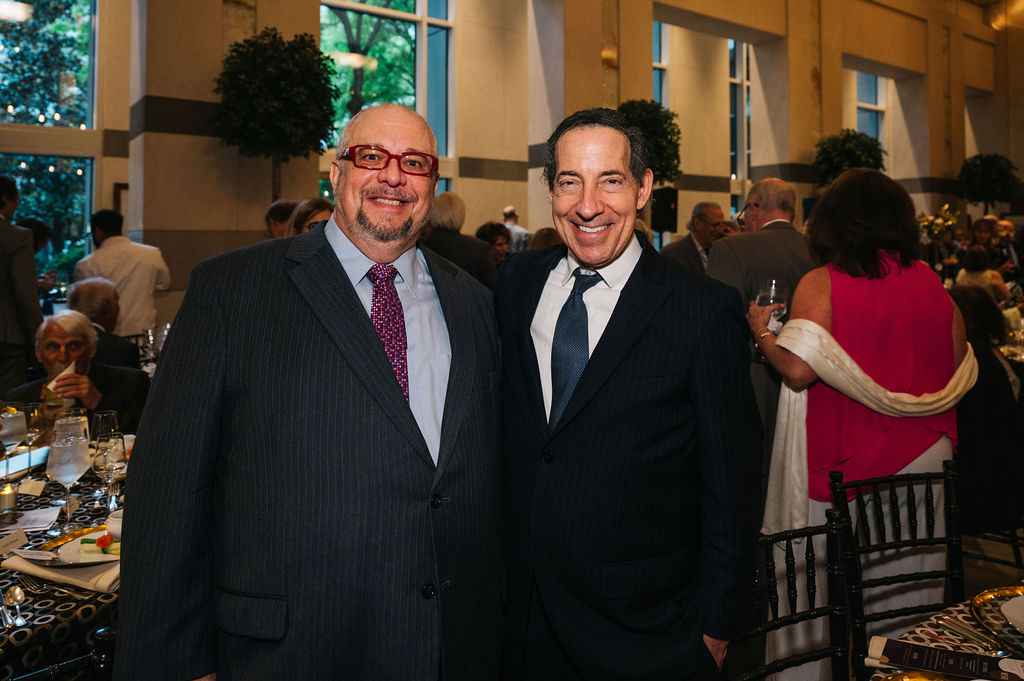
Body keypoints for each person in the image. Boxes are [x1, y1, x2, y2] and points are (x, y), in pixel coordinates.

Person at [114, 103, 502, 681]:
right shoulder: (231, 290)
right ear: (336, 173)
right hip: (288, 651)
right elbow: (167, 491)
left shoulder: (474, 302)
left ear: (433, 184)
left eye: (414, 163)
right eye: (371, 156)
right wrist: (176, 659)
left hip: (448, 646)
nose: (393, 176)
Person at [497, 107, 761, 681]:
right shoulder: (517, 283)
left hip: (647, 630)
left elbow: (733, 485)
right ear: (550, 191)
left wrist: (716, 628)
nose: (588, 205)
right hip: (523, 621)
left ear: (643, 189)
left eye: (610, 180)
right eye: (570, 182)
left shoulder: (702, 310)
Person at [747, 168, 975, 679]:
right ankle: (907, 674)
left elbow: (799, 370)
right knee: (911, 598)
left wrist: (762, 333)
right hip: (926, 456)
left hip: (845, 457)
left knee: (812, 587)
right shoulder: (930, 281)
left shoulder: (823, 281)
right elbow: (959, 355)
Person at [706, 178, 817, 512]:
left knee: (752, 483)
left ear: (752, 209)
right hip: (816, 384)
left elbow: (715, 328)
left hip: (753, 383)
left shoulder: (732, 249)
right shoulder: (818, 250)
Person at [948, 285, 1024, 535]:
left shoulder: (971, 357)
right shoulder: (984, 354)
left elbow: (971, 431)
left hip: (989, 488)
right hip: (1005, 473)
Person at [5, 310, 150, 433]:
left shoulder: (131, 383)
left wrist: (98, 402)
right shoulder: (20, 398)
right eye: (53, 347)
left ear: (92, 349)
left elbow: (146, 437)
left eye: (73, 346)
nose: (63, 357)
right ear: (39, 354)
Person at [73, 209, 171, 336]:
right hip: (142, 330)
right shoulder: (151, 254)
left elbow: (84, 305)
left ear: (97, 231)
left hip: (106, 336)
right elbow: (164, 284)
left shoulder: (87, 264)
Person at [0, 176, 43, 394]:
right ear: (6, 198)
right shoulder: (17, 236)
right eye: (16, 200)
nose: (16, 207)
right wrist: (39, 338)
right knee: (9, 401)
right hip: (6, 334)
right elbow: (24, 292)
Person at [419, 191, 497, 288]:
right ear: (462, 216)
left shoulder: (418, 246)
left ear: (432, 214)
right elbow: (491, 288)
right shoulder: (480, 248)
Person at [67, 277, 142, 370]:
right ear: (107, 309)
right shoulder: (124, 349)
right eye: (117, 305)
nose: (119, 309)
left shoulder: (58, 348)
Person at [659, 201, 726, 274]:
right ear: (697, 223)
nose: (721, 230)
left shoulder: (722, 251)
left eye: (723, 224)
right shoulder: (672, 254)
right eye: (716, 225)